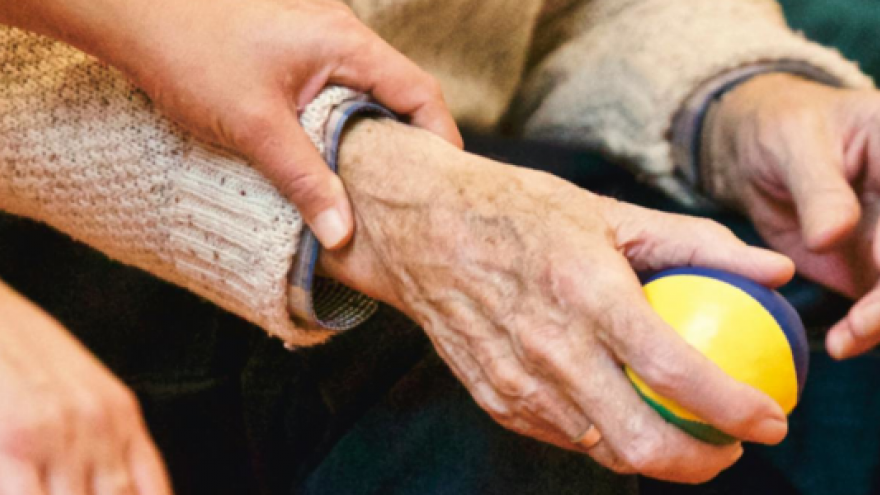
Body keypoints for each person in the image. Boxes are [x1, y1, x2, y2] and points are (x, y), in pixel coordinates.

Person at [1, 0, 879, 493]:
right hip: (96, 185)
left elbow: (555, 15)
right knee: (501, 386)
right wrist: (365, 182)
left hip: (452, 132)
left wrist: (738, 105)